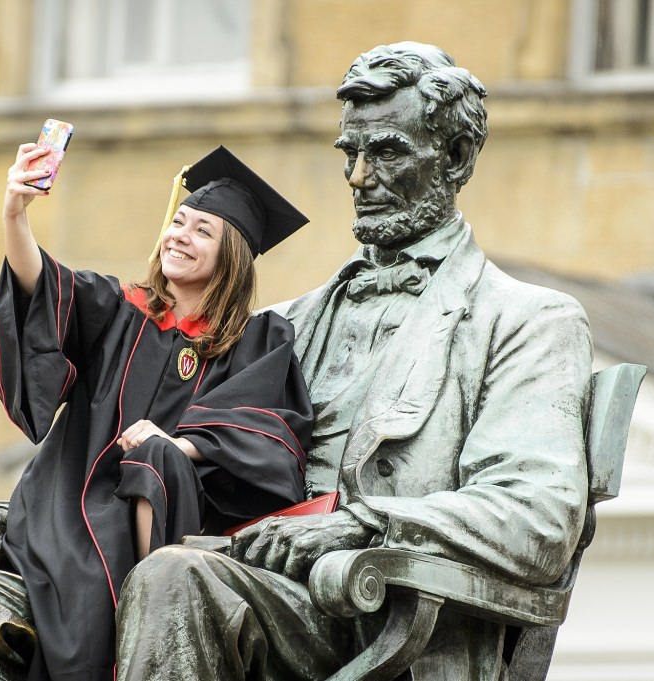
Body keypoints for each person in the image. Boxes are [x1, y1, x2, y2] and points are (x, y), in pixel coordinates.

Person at [115, 42, 593, 681]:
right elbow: (162, 435)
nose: (360, 178)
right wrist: (14, 520)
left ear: (455, 158)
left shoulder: (528, 320)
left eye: (388, 152)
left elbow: (536, 516)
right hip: (236, 572)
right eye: (351, 154)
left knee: (174, 579)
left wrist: (359, 527)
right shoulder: (284, 324)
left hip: (384, 617)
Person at [0, 145, 314, 681]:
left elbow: (267, 432)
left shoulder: (258, 340)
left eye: (202, 231)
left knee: (157, 460)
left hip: (177, 527)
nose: (179, 235)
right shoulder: (121, 310)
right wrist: (15, 213)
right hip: (69, 516)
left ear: (232, 254)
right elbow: (41, 286)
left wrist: (175, 442)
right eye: (179, 222)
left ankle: (144, 619)